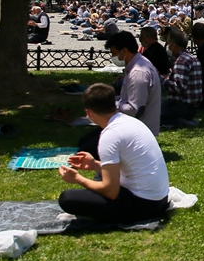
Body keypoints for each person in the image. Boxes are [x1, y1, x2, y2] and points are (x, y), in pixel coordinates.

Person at [58, 84, 170, 224]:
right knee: (101, 175)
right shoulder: (130, 122)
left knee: (67, 198)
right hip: (160, 198)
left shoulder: (110, 135)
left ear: (89, 113)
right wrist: (94, 164)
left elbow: (111, 192)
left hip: (144, 206)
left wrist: (77, 178)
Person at [103, 31, 161, 138]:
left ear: (124, 51)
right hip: (134, 127)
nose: (113, 56)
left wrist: (112, 105)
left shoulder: (138, 73)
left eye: (114, 53)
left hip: (138, 133)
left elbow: (134, 110)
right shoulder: (137, 65)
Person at [161, 28, 202, 125]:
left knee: (151, 114)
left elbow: (178, 88)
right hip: (192, 107)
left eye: (168, 43)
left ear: (173, 45)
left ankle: (179, 121)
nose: (167, 46)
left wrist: (161, 79)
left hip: (181, 107)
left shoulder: (181, 61)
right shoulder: (190, 57)